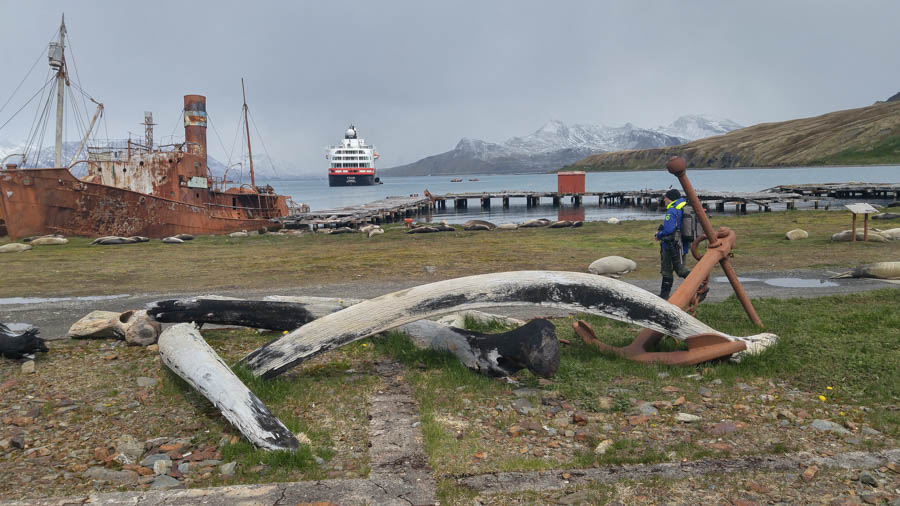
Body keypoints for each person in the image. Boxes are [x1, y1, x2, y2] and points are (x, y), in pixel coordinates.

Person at [655, 188, 691, 299]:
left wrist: (659, 234)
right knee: (680, 268)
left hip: (671, 245)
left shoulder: (672, 210)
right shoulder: (683, 208)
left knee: (670, 270)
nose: (664, 200)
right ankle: (699, 284)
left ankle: (664, 295)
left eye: (665, 197)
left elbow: (669, 230)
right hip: (682, 244)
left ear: (669, 198)